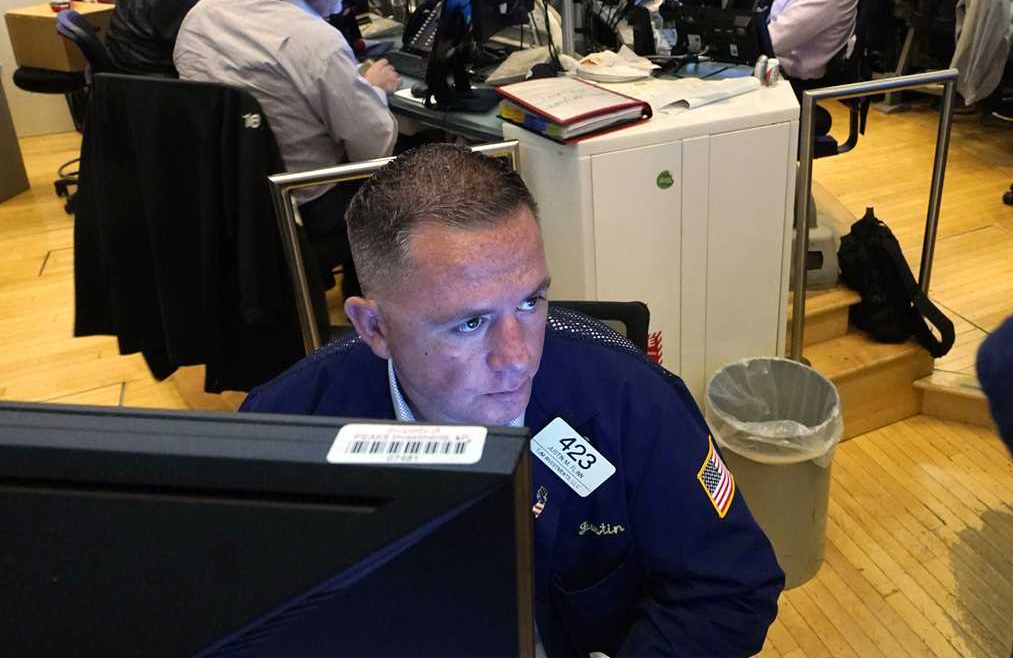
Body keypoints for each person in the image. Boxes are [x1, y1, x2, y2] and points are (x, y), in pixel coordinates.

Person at [240, 144, 785, 657]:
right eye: (470, 323)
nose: (519, 358)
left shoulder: (630, 401)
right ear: (374, 327)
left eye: (530, 302)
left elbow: (731, 587)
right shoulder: (283, 429)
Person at [174, 0, 402, 294]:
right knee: (415, 158)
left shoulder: (203, 14)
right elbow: (373, 150)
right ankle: (367, 306)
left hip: (220, 199)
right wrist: (374, 89)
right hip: (301, 206)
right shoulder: (315, 40)